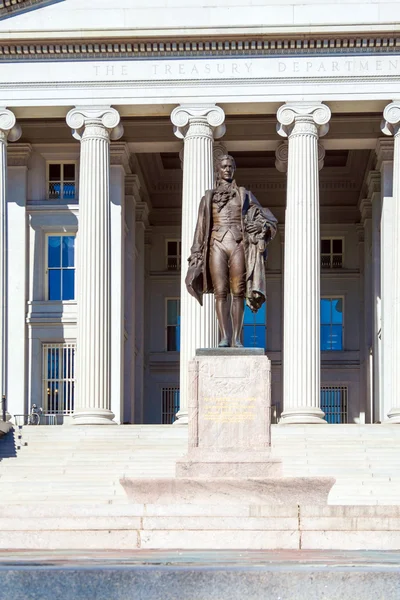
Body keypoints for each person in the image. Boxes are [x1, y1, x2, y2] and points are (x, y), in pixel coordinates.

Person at [185, 154, 277, 348]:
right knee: (220, 292)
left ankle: (236, 337)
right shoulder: (207, 198)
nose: (227, 169)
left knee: (238, 291)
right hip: (216, 244)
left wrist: (261, 227)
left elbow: (265, 217)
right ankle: (224, 337)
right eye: (224, 166)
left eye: (230, 167)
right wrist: (195, 254)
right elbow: (200, 229)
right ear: (218, 169)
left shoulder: (244, 194)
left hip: (238, 243)